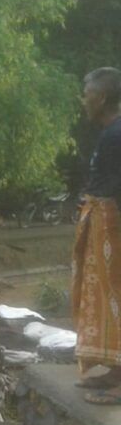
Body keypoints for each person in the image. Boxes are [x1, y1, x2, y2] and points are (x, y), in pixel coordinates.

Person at [72, 67, 121, 404]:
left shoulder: (117, 135)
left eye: (86, 92)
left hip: (114, 225)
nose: (83, 99)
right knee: (108, 300)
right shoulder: (110, 133)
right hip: (104, 222)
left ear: (101, 97)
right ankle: (116, 370)